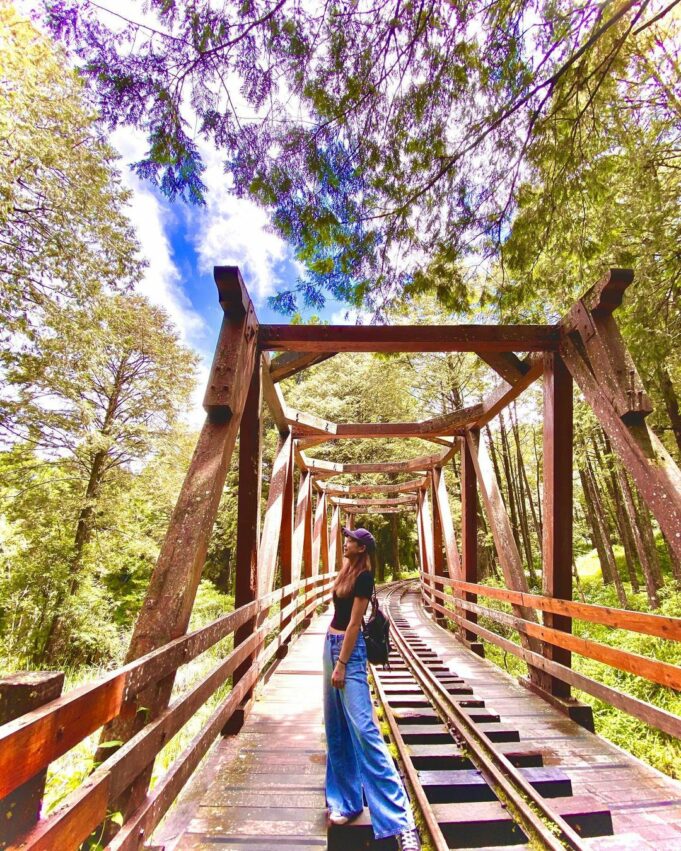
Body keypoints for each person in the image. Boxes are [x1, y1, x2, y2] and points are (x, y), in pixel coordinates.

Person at [323, 526, 421, 851]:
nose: (345, 542)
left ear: (361, 548)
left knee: (365, 731)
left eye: (351, 540)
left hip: (346, 655)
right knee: (336, 728)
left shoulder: (363, 578)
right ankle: (347, 802)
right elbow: (338, 617)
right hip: (330, 645)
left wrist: (341, 664)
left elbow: (354, 623)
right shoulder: (346, 571)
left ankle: (401, 821)